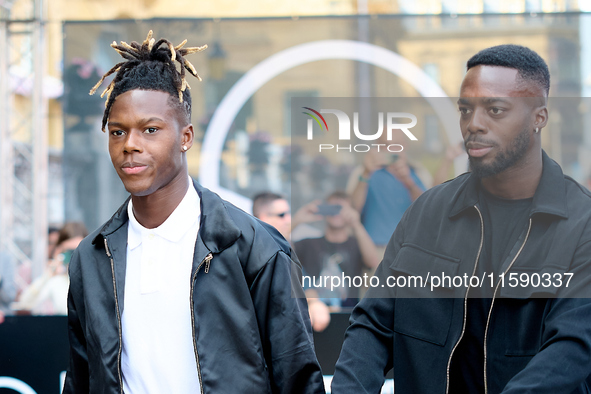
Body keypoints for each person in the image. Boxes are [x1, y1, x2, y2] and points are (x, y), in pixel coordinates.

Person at [64, 31, 324, 393]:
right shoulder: (90, 259)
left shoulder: (255, 248)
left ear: (185, 137)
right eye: (118, 132)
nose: (130, 145)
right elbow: (80, 380)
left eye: (150, 129)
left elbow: (297, 379)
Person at [332, 44, 591, 393]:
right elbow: (374, 323)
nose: (473, 124)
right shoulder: (428, 211)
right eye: (465, 109)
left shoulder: (582, 222)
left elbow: (572, 348)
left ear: (538, 118)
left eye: (495, 110)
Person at [252, 192, 330, 332]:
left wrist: (314, 302)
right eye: (282, 215)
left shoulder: (285, 250)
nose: (288, 220)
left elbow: (304, 283)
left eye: (289, 214)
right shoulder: (251, 252)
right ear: (263, 218)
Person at [294, 192, 380, 309]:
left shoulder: (357, 244)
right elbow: (280, 251)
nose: (337, 213)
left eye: (342, 209)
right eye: (332, 208)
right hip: (314, 314)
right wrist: (296, 221)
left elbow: (373, 262)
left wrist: (356, 224)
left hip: (348, 314)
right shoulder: (308, 243)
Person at [346, 132, 430, 253]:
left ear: (405, 146)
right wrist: (366, 173)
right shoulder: (363, 172)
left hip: (411, 249)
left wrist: (408, 181)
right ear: (377, 147)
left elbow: (427, 210)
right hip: (376, 250)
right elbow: (353, 209)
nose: (392, 150)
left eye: (396, 145)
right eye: (386, 145)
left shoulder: (418, 172)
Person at [16, 221, 88, 315]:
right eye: (69, 252)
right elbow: (24, 304)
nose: (74, 257)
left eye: (78, 251)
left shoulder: (94, 279)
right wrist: (49, 274)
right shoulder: (56, 282)